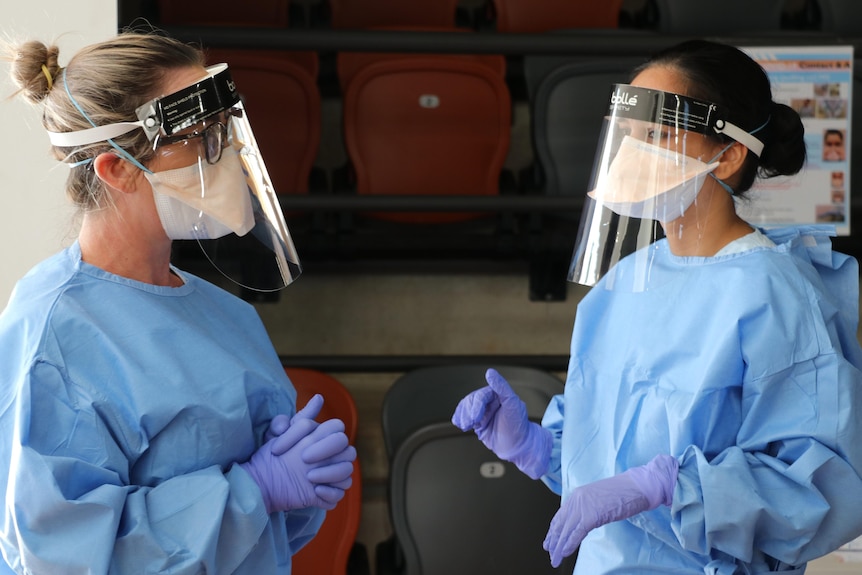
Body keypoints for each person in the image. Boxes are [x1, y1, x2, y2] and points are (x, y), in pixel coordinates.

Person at [453, 39, 862, 574]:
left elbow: (814, 489)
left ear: (730, 154)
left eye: (658, 133)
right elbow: (606, 464)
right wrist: (536, 447)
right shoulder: (625, 282)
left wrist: (671, 485)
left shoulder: (774, 292)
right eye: (629, 135)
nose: (635, 154)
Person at [0, 31, 356, 574]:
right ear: (116, 168)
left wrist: (300, 485)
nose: (224, 156)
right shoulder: (55, 331)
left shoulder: (227, 315)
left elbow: (268, 538)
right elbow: (64, 556)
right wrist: (253, 491)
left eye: (223, 133)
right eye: (198, 139)